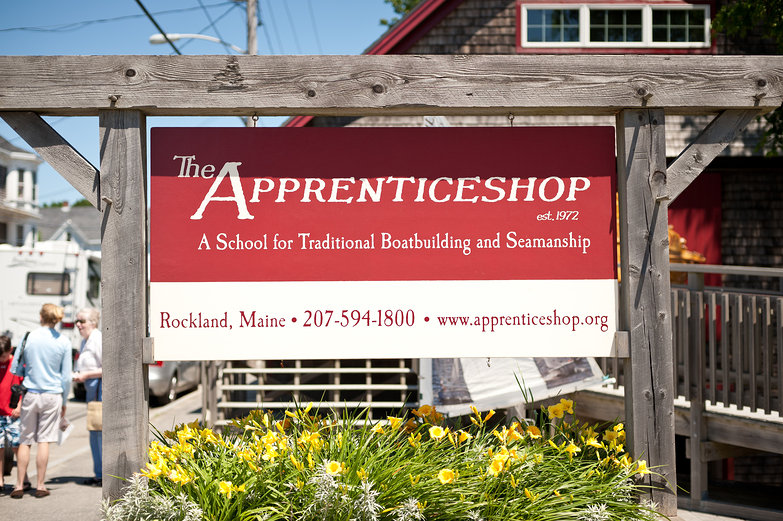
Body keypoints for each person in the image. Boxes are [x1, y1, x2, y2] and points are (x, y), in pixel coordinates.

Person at [10, 303, 72, 499]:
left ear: (40, 316)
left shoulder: (28, 337)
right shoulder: (64, 341)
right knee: (44, 439)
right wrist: (64, 400)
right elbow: (66, 377)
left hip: (31, 393)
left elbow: (16, 368)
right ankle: (40, 485)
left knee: (25, 440)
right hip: (52, 395)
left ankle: (19, 485)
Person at [72, 307, 102, 486]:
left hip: (99, 390)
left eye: (81, 321)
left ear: (92, 323)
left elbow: (107, 367)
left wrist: (85, 376)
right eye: (77, 321)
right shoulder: (85, 340)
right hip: (91, 391)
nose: (78, 325)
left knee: (99, 432)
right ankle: (98, 473)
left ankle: (102, 474)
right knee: (94, 431)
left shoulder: (97, 339)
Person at [0, 335, 25, 493]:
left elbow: (22, 387)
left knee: (18, 447)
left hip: (14, 413)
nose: (1, 359)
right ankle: (0, 479)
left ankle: (22, 480)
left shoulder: (16, 365)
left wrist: (20, 405)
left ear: (10, 351)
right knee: (0, 448)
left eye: (3, 356)